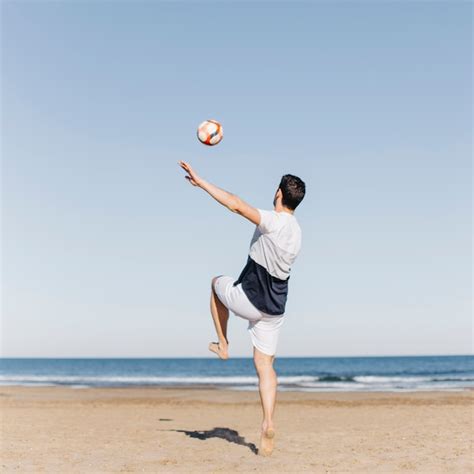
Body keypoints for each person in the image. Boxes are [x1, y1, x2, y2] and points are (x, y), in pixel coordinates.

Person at [178, 160, 305, 456]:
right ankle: (268, 422)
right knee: (265, 367)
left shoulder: (274, 221)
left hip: (249, 299)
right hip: (275, 309)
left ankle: (222, 344)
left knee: (215, 284)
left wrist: (202, 182)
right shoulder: (297, 231)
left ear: (278, 194)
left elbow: (235, 205)